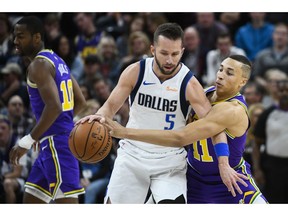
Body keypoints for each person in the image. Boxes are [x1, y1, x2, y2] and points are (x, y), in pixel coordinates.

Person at [77, 23, 246, 204]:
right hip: (132, 155)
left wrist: (223, 162)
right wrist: (100, 118)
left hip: (169, 161)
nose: (169, 60)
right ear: (153, 49)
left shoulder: (190, 84)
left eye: (175, 54)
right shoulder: (135, 71)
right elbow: (110, 106)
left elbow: (215, 127)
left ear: (182, 51)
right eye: (164, 53)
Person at [102, 55, 268, 204]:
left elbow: (181, 137)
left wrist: (124, 132)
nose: (221, 75)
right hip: (193, 177)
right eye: (221, 69)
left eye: (229, 73)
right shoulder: (203, 94)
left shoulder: (232, 110)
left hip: (229, 181)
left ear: (243, 81)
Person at [9, 16, 86, 204]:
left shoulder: (39, 65)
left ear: (36, 37)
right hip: (50, 142)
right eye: (15, 36)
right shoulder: (57, 60)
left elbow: (54, 107)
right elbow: (80, 101)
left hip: (57, 145)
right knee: (31, 201)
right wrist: (44, 131)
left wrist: (28, 139)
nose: (15, 41)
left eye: (21, 36)